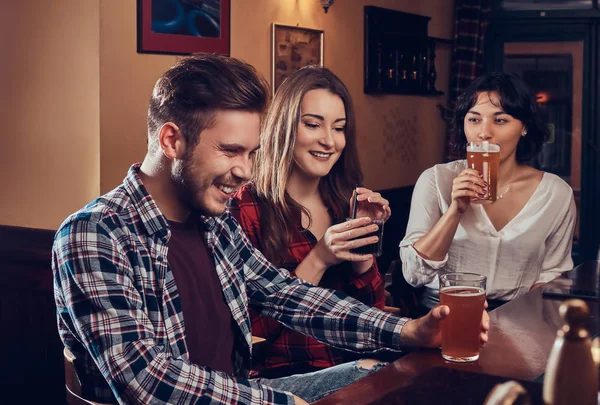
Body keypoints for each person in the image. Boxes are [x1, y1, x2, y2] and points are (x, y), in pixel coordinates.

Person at [53, 54, 489, 405]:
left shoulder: (214, 220)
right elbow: (144, 380)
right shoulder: (95, 234)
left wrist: (407, 331)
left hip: (248, 394)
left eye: (252, 152)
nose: (244, 172)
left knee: (391, 379)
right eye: (230, 151)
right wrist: (276, 403)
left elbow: (283, 293)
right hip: (242, 398)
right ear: (171, 141)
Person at [228, 66, 390, 379]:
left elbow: (373, 318)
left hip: (354, 369)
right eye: (313, 124)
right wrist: (319, 259)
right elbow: (247, 335)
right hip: (281, 379)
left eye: (339, 128)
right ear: (283, 127)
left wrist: (362, 250)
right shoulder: (244, 207)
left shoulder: (345, 202)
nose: (329, 141)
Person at [400, 72, 576, 311]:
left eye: (500, 120)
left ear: (524, 126)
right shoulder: (436, 180)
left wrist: (529, 326)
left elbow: (553, 273)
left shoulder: (556, 193)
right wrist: (456, 210)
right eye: (474, 119)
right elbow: (414, 274)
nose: (484, 132)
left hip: (520, 316)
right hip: (443, 313)